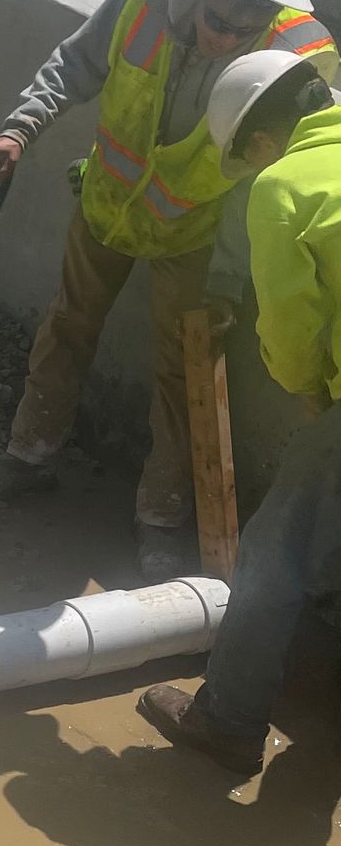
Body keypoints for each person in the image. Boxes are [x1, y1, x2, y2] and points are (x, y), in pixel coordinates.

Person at [0, 0, 336, 579]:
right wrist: (20, 129)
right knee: (69, 321)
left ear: (275, 14)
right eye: (217, 19)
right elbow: (77, 62)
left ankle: (160, 515)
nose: (225, 38)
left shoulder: (301, 60)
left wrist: (226, 278)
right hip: (109, 201)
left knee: (185, 368)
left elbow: (266, 181)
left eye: (244, 29)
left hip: (198, 232)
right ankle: (30, 453)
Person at [139, 47, 341, 774]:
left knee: (277, 556)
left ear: (261, 140)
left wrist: (313, 394)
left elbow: (288, 331)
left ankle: (227, 721)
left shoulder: (286, 185)